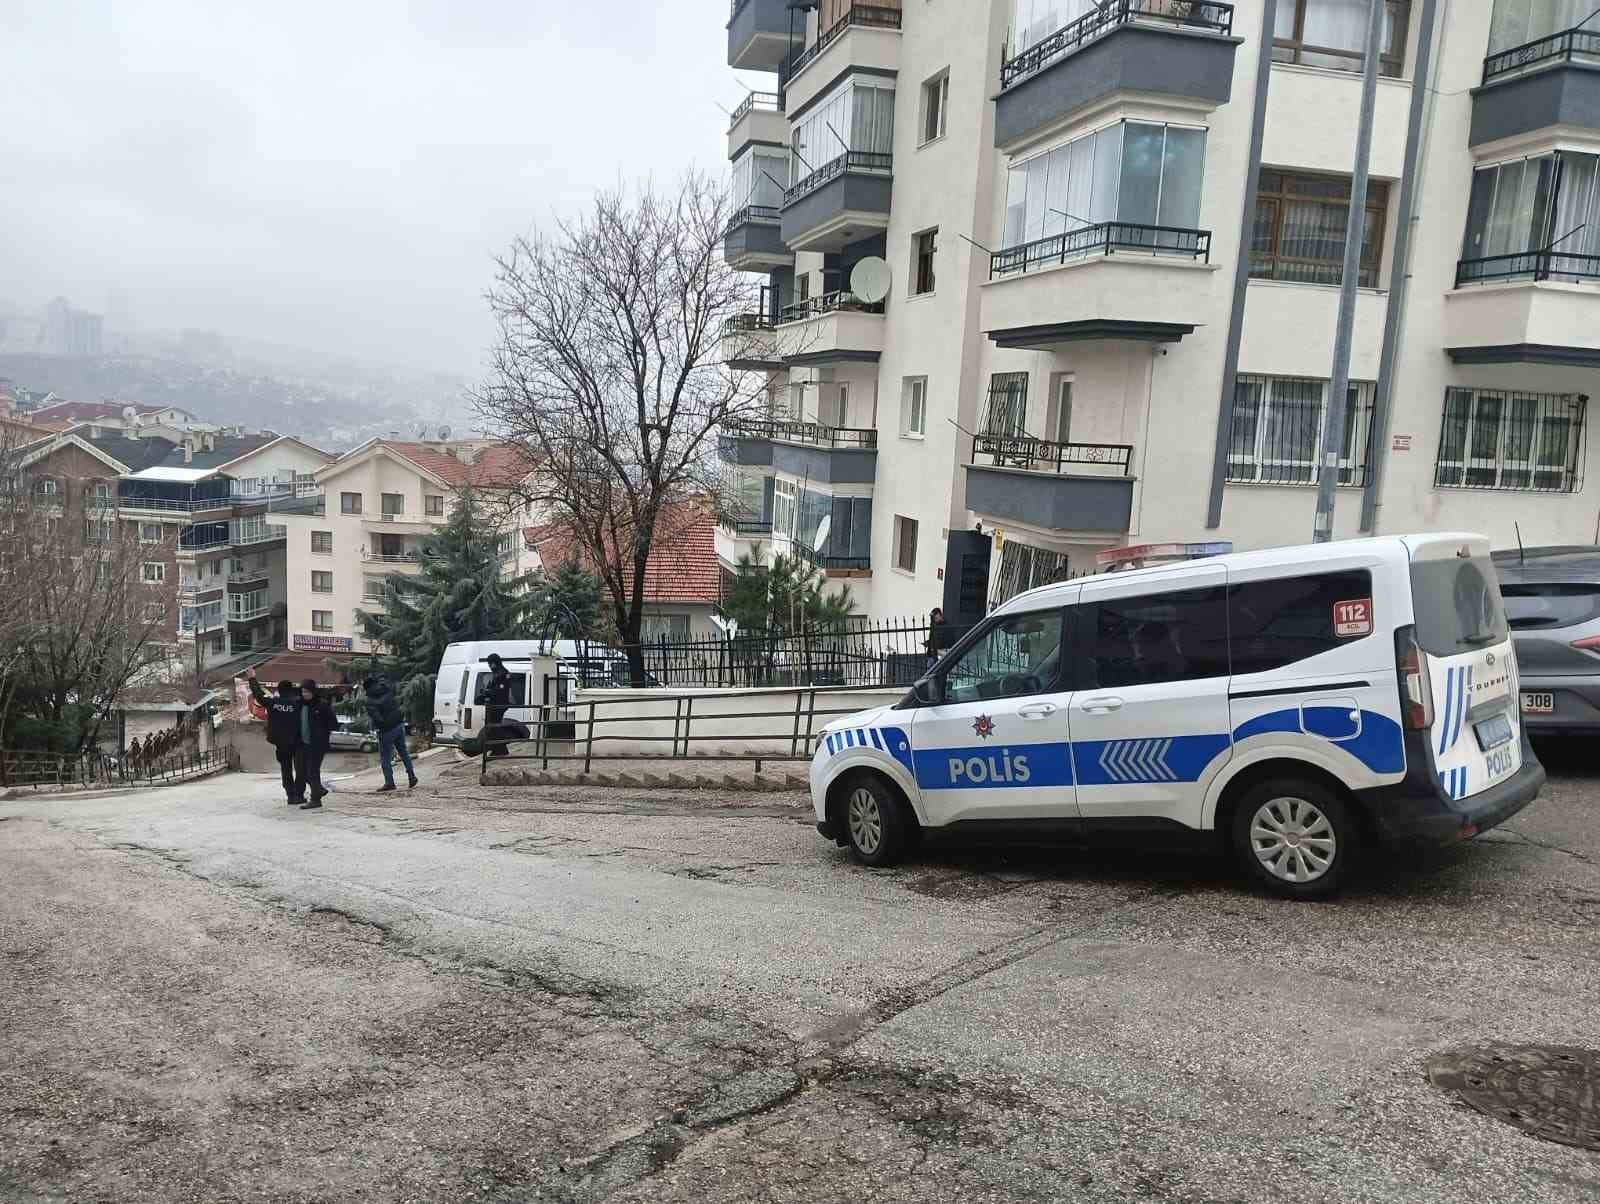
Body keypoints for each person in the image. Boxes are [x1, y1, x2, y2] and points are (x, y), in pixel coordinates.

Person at [247, 667, 304, 805]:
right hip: (297, 742)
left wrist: (252, 678)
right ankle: (299, 795)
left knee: (286, 769)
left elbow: (259, 695)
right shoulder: (298, 703)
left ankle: (291, 795)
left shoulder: (273, 703)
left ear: (279, 690)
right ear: (291, 690)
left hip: (281, 742)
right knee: (301, 769)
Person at [363, 673, 417, 793]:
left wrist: (380, 727)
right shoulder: (386, 689)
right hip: (399, 725)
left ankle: (389, 782)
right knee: (403, 752)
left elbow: (377, 718)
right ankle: (411, 775)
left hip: (386, 730)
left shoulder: (370, 701)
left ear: (366, 688)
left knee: (385, 758)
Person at [295, 678, 338, 810]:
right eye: (303, 691)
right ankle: (319, 789)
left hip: (317, 744)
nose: (305, 694)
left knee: (313, 771)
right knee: (302, 771)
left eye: (307, 691)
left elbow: (333, 724)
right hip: (302, 744)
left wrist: (321, 732)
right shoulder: (299, 705)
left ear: (313, 692)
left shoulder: (322, 706)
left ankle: (315, 799)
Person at [482, 653, 514, 758]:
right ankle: (498, 749)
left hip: (500, 704)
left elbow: (501, 691)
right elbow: (492, 687)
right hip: (494, 704)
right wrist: (486, 691)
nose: (490, 666)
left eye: (491, 664)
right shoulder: (496, 673)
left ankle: (501, 750)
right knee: (493, 727)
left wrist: (489, 692)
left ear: (495, 663)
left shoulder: (503, 673)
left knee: (494, 727)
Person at [925, 607, 947, 672]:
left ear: (940, 615)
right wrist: (928, 643)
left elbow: (943, 640)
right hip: (932, 654)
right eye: (933, 617)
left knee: (938, 672)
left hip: (939, 653)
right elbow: (932, 638)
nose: (934, 618)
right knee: (930, 672)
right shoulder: (933, 626)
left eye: (935, 616)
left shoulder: (945, 626)